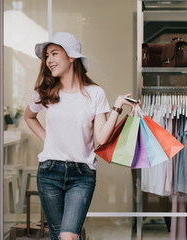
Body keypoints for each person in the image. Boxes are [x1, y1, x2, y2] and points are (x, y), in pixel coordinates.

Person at [24, 32, 134, 240]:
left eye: (54, 54)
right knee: (58, 235)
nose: (49, 61)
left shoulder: (95, 93)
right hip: (49, 172)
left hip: (82, 175)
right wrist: (48, 140)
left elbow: (102, 138)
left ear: (72, 57)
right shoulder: (44, 92)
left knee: (69, 236)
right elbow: (29, 117)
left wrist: (117, 107)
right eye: (47, 56)